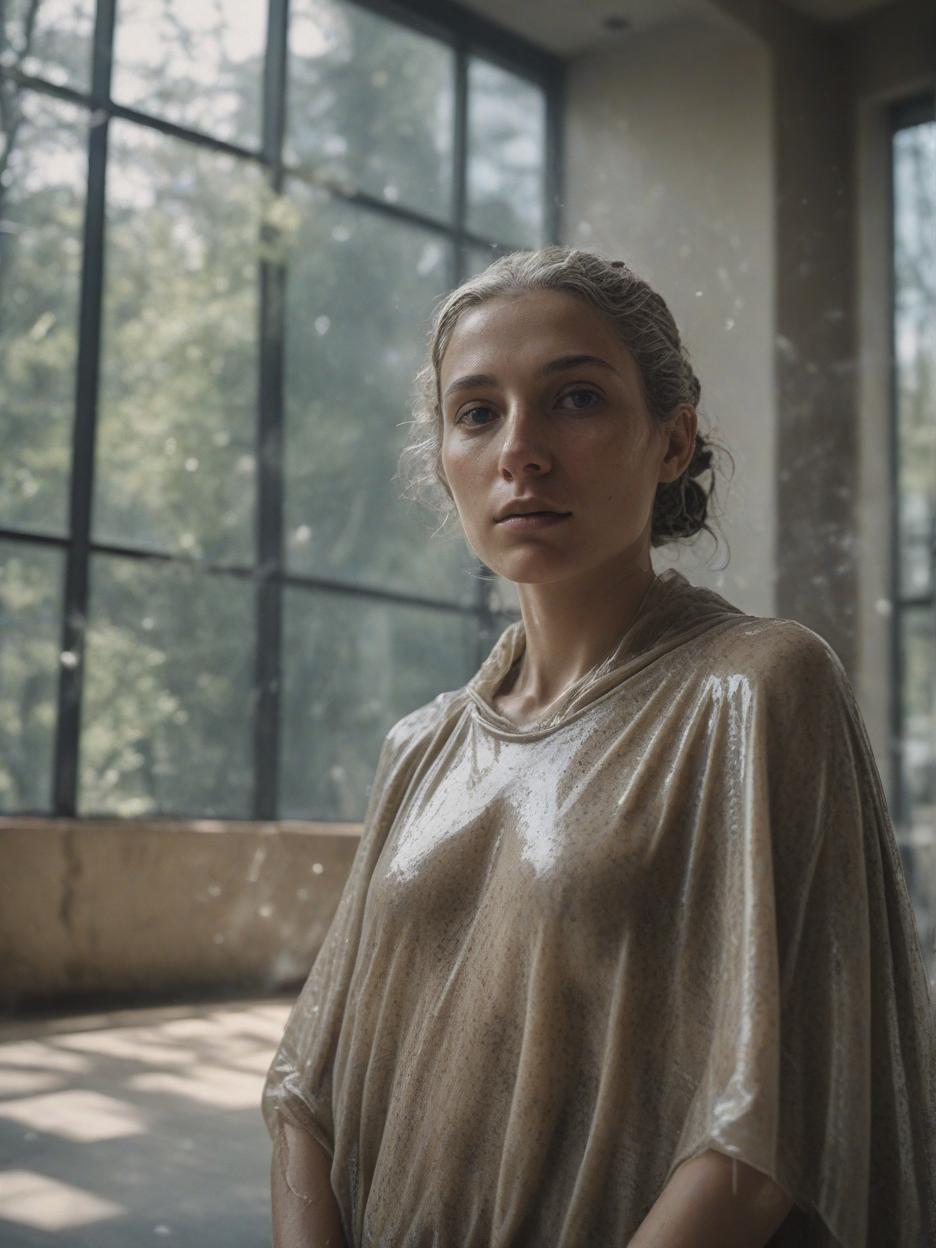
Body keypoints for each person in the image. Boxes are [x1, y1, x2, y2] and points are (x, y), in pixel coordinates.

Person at [261, 246, 935, 1247]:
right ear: (444, 457)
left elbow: (766, 1130)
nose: (520, 450)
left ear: (672, 442)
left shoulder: (755, 689)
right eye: (478, 412)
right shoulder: (423, 745)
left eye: (575, 399)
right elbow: (304, 1088)